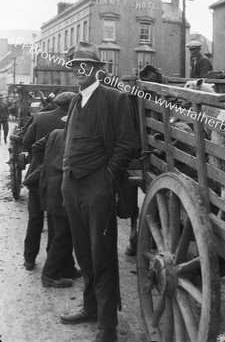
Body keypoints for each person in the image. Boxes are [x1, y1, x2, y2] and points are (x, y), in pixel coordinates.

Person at [60, 42, 137, 342]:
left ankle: (107, 326)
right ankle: (90, 308)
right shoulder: (74, 101)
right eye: (75, 65)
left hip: (98, 186)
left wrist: (107, 176)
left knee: (102, 253)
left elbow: (127, 143)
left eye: (85, 65)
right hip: (72, 185)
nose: (79, 71)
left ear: (95, 70)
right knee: (83, 252)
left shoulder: (114, 99)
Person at [22, 92, 76, 271]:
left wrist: (43, 159)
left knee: (35, 218)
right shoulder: (73, 121)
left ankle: (29, 258)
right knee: (57, 221)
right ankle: (54, 261)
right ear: (72, 105)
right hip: (59, 176)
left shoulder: (40, 117)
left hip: (38, 174)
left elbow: (27, 141)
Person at [32, 118, 82, 288]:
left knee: (60, 231)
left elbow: (36, 147)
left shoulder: (55, 133)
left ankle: (68, 268)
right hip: (62, 191)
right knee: (64, 235)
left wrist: (47, 165)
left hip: (49, 188)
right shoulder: (76, 138)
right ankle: (49, 275)